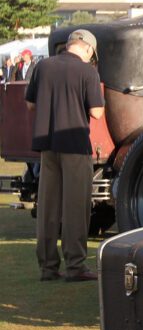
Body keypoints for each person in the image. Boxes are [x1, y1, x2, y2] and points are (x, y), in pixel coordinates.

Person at [25, 29, 104, 282]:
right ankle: (75, 265)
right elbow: (97, 112)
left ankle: (48, 267)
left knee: (48, 207)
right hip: (75, 145)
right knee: (75, 207)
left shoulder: (42, 66)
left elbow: (30, 104)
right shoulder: (88, 72)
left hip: (47, 145)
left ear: (69, 45)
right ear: (88, 49)